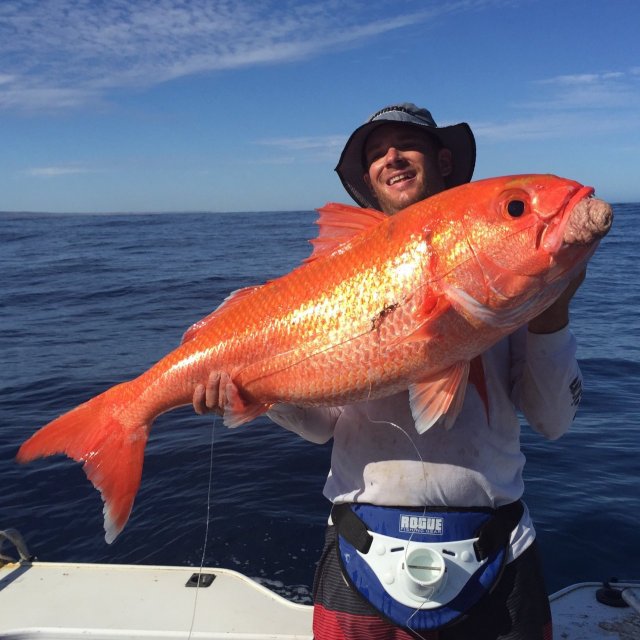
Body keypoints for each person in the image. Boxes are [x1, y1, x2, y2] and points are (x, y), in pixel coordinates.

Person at [193, 103, 585, 639]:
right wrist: (257, 395)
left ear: (444, 161)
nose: (391, 157)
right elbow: (320, 426)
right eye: (376, 153)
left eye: (406, 144)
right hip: (361, 548)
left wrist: (554, 312)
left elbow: (553, 420)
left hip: (496, 546)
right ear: (368, 177)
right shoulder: (343, 275)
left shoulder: (509, 285)